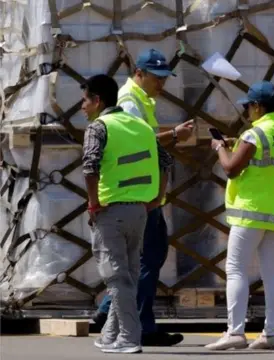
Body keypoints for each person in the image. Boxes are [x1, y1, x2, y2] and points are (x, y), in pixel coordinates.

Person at [92, 48, 193, 347]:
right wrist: (174, 135)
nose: (161, 84)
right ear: (140, 73)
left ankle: (108, 311)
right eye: (157, 77)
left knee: (146, 258)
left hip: (143, 193)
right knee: (146, 259)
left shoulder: (141, 99)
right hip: (138, 195)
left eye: (164, 78)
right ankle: (140, 325)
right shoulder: (129, 101)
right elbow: (140, 143)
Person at [204, 81, 274, 351]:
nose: (247, 111)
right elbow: (266, 160)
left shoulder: (254, 134)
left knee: (236, 269)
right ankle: (271, 334)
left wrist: (219, 148)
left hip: (251, 212)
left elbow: (231, 169)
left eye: (248, 106)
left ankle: (235, 332)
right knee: (272, 272)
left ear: (258, 107)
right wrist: (239, 144)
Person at [81, 74, 173, 353]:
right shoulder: (142, 127)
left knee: (117, 277)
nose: (82, 107)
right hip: (140, 212)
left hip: (110, 212)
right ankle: (110, 334)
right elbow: (166, 161)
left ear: (98, 101)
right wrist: (156, 199)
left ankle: (129, 338)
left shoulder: (98, 128)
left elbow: (90, 167)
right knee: (129, 276)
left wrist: (93, 204)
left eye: (85, 101)